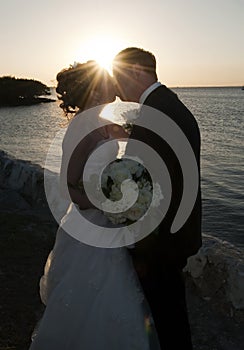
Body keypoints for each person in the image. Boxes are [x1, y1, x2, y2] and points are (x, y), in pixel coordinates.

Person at [29, 60, 161, 349]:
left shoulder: (103, 122)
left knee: (115, 292)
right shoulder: (82, 125)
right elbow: (68, 185)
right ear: (93, 88)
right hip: (89, 225)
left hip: (105, 226)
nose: (112, 84)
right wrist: (106, 206)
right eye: (105, 80)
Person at [112, 47, 202, 349]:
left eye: (118, 74)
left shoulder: (155, 115)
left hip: (160, 244)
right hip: (174, 235)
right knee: (171, 316)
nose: (114, 84)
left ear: (136, 71)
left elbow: (149, 189)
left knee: (167, 321)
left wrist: (139, 246)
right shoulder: (169, 106)